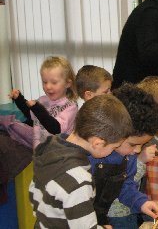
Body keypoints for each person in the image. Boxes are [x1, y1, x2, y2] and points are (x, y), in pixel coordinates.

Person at [29, 94, 134, 228]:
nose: (115, 150)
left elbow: (34, 196)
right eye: (115, 147)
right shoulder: (79, 178)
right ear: (98, 143)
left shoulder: (49, 148)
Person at [88, 83, 158, 228]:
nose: (137, 151)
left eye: (142, 144)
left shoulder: (128, 156)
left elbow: (125, 186)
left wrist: (141, 202)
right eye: (133, 144)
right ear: (115, 130)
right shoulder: (89, 155)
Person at [7, 56, 78, 149]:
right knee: (8, 124)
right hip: (39, 149)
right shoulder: (43, 100)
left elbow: (56, 129)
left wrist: (37, 108)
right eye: (45, 82)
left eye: (54, 82)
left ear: (68, 83)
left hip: (59, 151)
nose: (48, 86)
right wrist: (19, 99)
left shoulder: (70, 106)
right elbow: (31, 114)